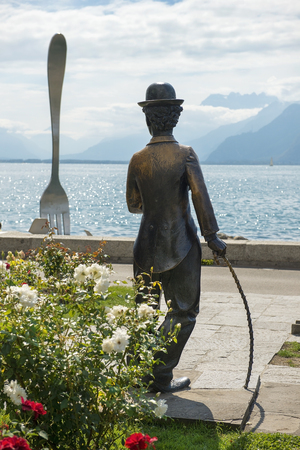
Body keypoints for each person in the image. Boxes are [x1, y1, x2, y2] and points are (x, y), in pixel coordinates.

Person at [126, 82, 226, 393]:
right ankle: (158, 376)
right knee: (183, 311)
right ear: (176, 118)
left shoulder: (137, 159)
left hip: (145, 245)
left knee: (144, 310)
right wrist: (212, 237)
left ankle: (138, 372)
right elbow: (200, 198)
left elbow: (133, 205)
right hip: (181, 245)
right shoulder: (186, 154)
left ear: (148, 119)